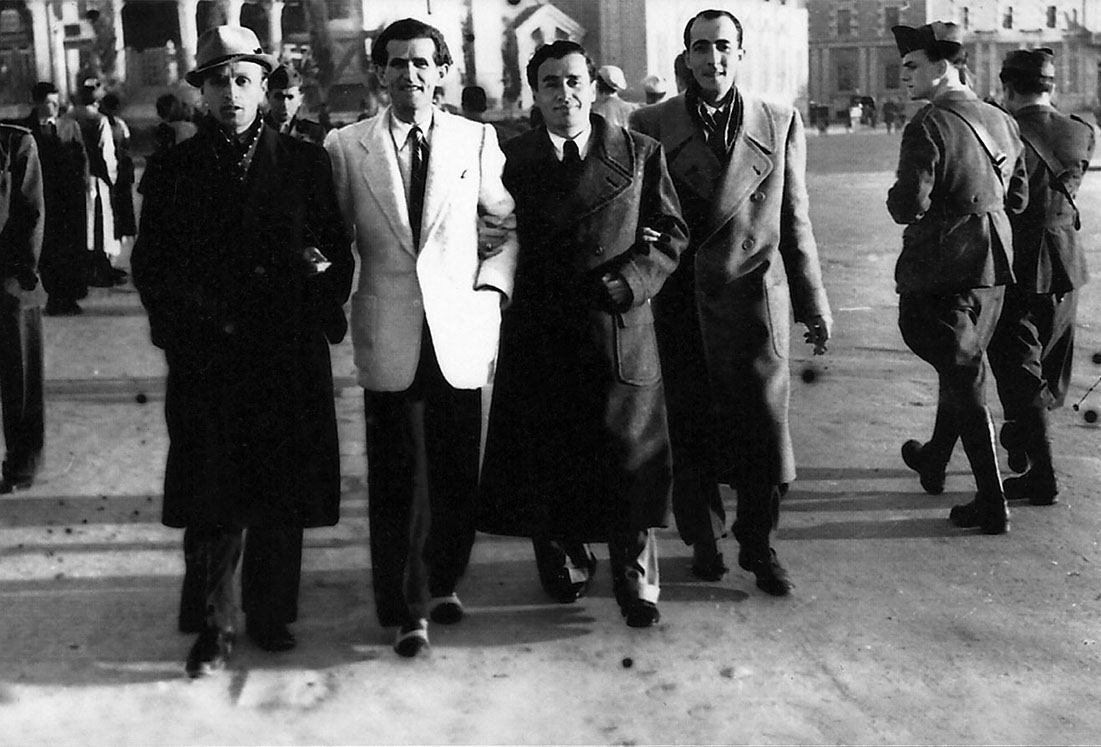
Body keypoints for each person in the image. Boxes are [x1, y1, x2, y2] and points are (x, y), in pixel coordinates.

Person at [131, 25, 354, 678]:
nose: (231, 93)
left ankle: (270, 611)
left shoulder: (304, 163)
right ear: (201, 92)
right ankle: (213, 624)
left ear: (264, 88)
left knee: (281, 486)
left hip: (284, 352)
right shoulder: (174, 169)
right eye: (218, 81)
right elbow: (152, 264)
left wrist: (316, 282)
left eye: (243, 80)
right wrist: (185, 326)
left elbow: (334, 250)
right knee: (213, 493)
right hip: (209, 356)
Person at [324, 18, 517, 657]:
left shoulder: (476, 139)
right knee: (398, 475)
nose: (409, 74)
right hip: (390, 329)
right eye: (397, 63)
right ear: (379, 72)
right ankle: (406, 606)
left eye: (421, 63)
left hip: (458, 329)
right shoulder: (346, 146)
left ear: (441, 73)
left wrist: (492, 290)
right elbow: (334, 238)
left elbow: (504, 223)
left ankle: (444, 580)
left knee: (457, 468)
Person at [478, 40, 688, 628]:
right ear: (534, 93)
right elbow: (488, 226)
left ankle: (635, 575)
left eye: (574, 81)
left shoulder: (640, 152)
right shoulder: (508, 159)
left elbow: (672, 232)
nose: (564, 93)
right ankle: (563, 553)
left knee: (629, 457)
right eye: (550, 83)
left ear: (593, 88)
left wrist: (634, 279)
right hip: (541, 328)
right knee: (550, 451)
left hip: (616, 326)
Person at [630, 9, 832, 596]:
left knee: (764, 432)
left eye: (722, 47)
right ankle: (704, 541)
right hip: (682, 303)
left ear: (740, 54)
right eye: (700, 48)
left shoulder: (780, 120)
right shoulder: (651, 123)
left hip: (755, 303)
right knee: (689, 429)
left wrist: (813, 303)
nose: (712, 59)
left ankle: (759, 544)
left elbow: (794, 219)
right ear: (686, 56)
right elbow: (641, 216)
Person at [887, 22, 1027, 534]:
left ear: (943, 67)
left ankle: (992, 501)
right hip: (994, 268)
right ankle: (934, 459)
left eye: (912, 66)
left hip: (942, 270)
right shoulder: (1000, 118)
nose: (904, 75)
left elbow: (907, 205)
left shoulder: (927, 123)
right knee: (962, 366)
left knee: (963, 373)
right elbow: (1019, 199)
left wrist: (902, 202)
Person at [985, 49, 1095, 506]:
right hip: (1066, 263)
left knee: (1017, 367)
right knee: (1049, 365)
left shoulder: (1003, 130)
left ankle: (1041, 475)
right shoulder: (1082, 131)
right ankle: (1022, 435)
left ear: (1009, 88)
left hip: (1018, 265)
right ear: (1051, 87)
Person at [0, 123, 45, 494]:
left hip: (8, 277)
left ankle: (22, 464)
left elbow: (30, 213)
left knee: (20, 376)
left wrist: (20, 275)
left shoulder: (15, 142)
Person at [19, 82, 88, 316]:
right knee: (47, 248)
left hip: (69, 200)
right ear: (37, 103)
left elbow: (82, 159)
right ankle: (53, 296)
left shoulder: (69, 126)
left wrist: (84, 187)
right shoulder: (26, 130)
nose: (56, 107)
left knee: (69, 248)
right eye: (50, 102)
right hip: (42, 197)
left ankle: (67, 297)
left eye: (57, 102)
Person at [66, 77, 120, 288]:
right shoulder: (99, 120)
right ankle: (99, 268)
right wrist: (111, 178)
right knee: (99, 224)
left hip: (73, 178)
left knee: (78, 224)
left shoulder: (68, 118)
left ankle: (81, 268)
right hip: (96, 178)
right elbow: (106, 154)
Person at [99, 93, 136, 276]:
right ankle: (108, 259)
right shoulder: (115, 125)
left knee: (114, 216)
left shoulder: (113, 124)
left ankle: (110, 259)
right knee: (113, 216)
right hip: (115, 175)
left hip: (115, 175)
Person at [264, 64, 326, 145]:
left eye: (290, 97)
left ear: (300, 99)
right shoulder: (257, 129)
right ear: (268, 97)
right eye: (279, 97)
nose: (284, 104)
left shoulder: (313, 133)